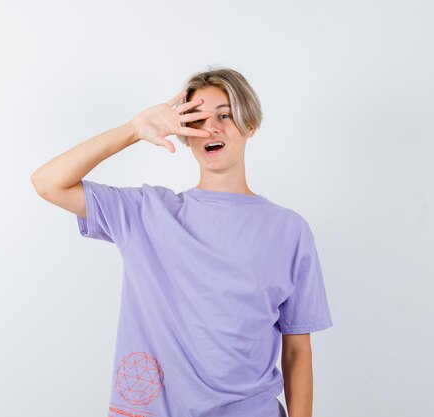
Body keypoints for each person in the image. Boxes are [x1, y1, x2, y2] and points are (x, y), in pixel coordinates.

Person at [31, 67, 333, 417]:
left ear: (250, 125)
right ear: (185, 135)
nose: (212, 128)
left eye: (225, 115)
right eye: (198, 119)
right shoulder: (146, 212)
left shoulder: (289, 230)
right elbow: (48, 183)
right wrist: (133, 130)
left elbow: (297, 349)